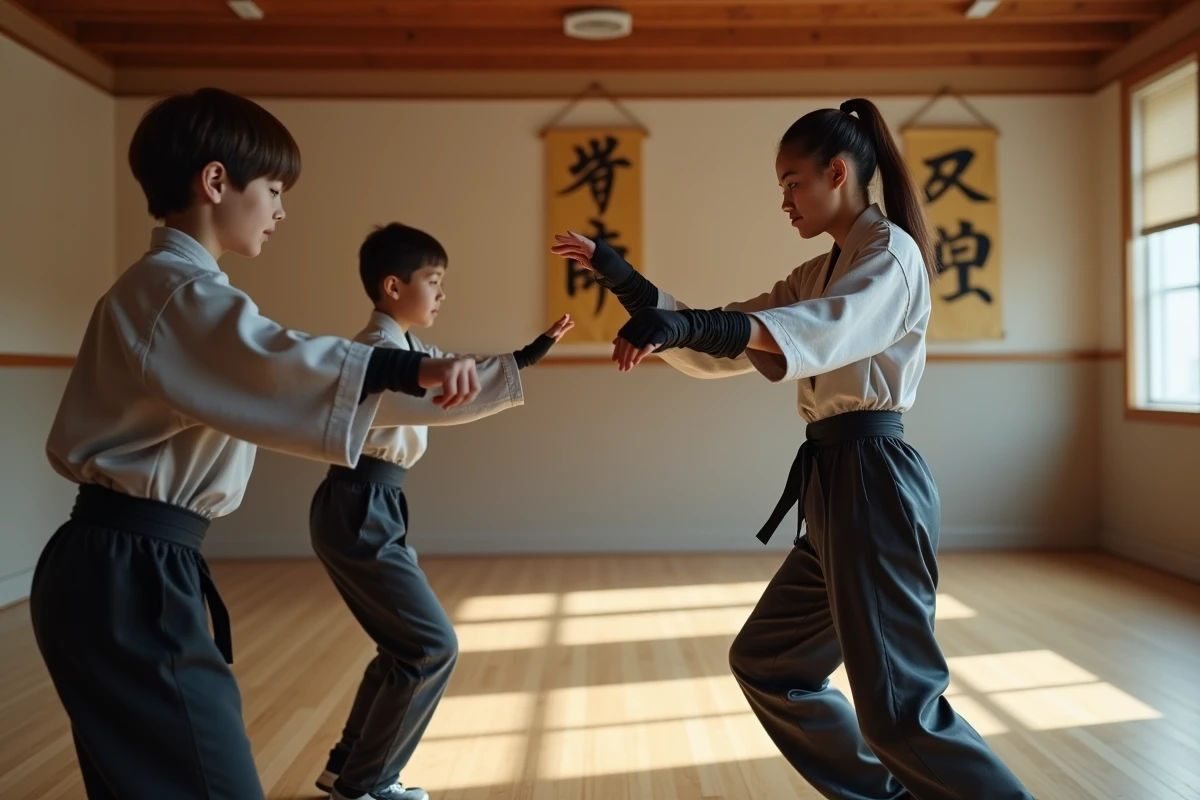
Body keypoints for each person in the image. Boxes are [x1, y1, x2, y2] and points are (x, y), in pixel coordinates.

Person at [551, 98, 1033, 799]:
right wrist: (629, 284)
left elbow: (813, 330)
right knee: (772, 662)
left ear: (837, 171)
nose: (783, 200)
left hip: (874, 480)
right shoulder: (822, 268)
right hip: (833, 482)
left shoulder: (890, 256)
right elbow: (737, 337)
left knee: (900, 713)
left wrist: (698, 324)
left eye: (791, 182)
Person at [30, 88, 477, 800]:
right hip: (129, 573)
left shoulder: (178, 289)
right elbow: (282, 363)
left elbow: (272, 369)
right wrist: (414, 366)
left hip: (123, 565)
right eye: (272, 189)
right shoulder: (177, 293)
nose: (280, 209)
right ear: (215, 182)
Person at [311, 223, 572, 800]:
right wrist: (517, 363)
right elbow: (440, 398)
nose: (441, 293)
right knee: (431, 646)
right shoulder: (377, 351)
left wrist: (531, 352)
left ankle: (347, 767)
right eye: (433, 280)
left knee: (403, 644)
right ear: (393, 286)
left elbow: (458, 369)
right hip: (359, 502)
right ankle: (367, 784)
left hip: (371, 502)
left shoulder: (403, 347)